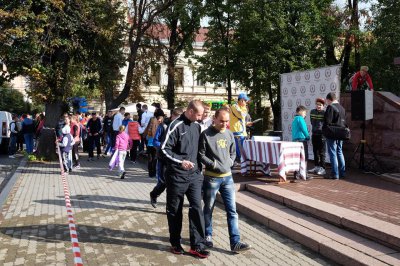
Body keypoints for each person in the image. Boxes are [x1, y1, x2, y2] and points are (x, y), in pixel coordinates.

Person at [161, 100, 209, 258]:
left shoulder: (198, 126)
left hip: (194, 176)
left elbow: (200, 149)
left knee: (197, 207)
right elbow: (163, 150)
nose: (202, 118)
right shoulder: (175, 125)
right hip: (176, 176)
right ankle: (175, 243)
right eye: (199, 115)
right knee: (175, 210)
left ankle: (198, 245)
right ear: (190, 111)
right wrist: (180, 162)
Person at [199, 108, 251, 253]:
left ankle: (235, 242)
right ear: (214, 119)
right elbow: (201, 154)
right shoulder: (206, 134)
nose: (224, 124)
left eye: (227, 121)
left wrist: (229, 162)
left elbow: (233, 152)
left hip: (228, 178)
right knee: (208, 208)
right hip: (211, 178)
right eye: (221, 121)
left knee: (232, 211)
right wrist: (214, 165)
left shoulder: (229, 134)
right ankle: (207, 235)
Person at [150, 108, 183, 208]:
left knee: (174, 183)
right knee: (163, 181)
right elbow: (155, 140)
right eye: (176, 118)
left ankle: (171, 206)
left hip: (176, 159)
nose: (178, 121)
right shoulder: (163, 126)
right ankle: (154, 194)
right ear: (172, 116)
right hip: (163, 159)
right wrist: (165, 147)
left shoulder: (182, 126)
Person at [323, 92, 346, 179]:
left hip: (332, 133)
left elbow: (327, 122)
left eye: (327, 101)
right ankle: (342, 173)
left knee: (332, 153)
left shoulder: (330, 107)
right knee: (339, 152)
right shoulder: (342, 108)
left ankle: (335, 173)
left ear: (329, 100)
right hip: (341, 133)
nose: (327, 102)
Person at [229, 93, 253, 163]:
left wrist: (247, 123)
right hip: (237, 132)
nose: (246, 103)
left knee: (241, 150)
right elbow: (241, 115)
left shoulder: (239, 107)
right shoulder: (235, 106)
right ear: (242, 100)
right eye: (245, 101)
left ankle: (241, 164)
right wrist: (244, 108)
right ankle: (240, 165)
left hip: (241, 131)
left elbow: (240, 120)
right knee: (240, 151)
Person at [291, 105, 310, 180]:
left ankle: (296, 174)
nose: (305, 114)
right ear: (300, 111)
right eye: (305, 112)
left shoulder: (295, 119)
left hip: (295, 140)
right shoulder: (300, 118)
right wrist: (308, 136)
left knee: (297, 157)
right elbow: (304, 129)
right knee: (304, 157)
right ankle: (304, 173)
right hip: (302, 139)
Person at [309, 98, 326, 175]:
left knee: (322, 152)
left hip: (322, 135)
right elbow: (312, 122)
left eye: (320, 105)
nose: (318, 106)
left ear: (323, 106)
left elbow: (325, 124)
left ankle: (323, 168)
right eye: (317, 104)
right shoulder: (312, 112)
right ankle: (316, 166)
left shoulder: (325, 113)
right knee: (315, 152)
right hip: (314, 134)